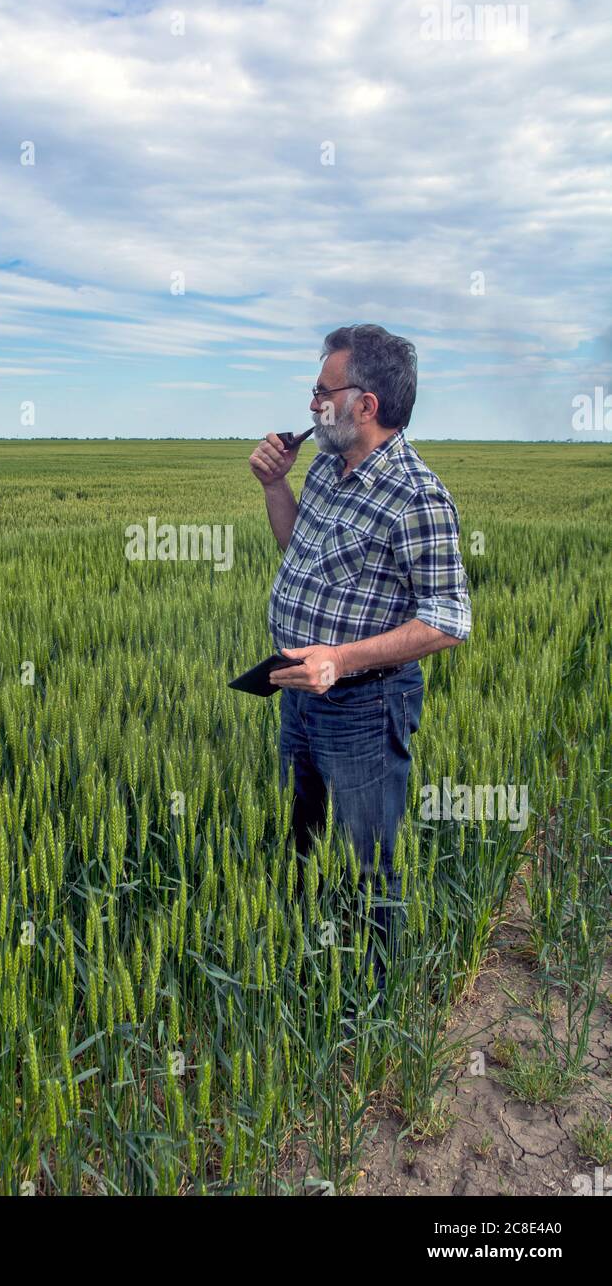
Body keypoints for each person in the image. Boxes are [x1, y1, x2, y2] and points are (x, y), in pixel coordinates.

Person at [249, 324, 471, 1000]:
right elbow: (300, 549)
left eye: (322, 391)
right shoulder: (323, 466)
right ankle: (305, 964)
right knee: (302, 839)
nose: (312, 403)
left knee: (369, 863)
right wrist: (272, 486)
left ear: (364, 403)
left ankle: (370, 1010)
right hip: (296, 691)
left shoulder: (417, 497)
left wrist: (340, 661)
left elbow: (447, 621)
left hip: (364, 706)